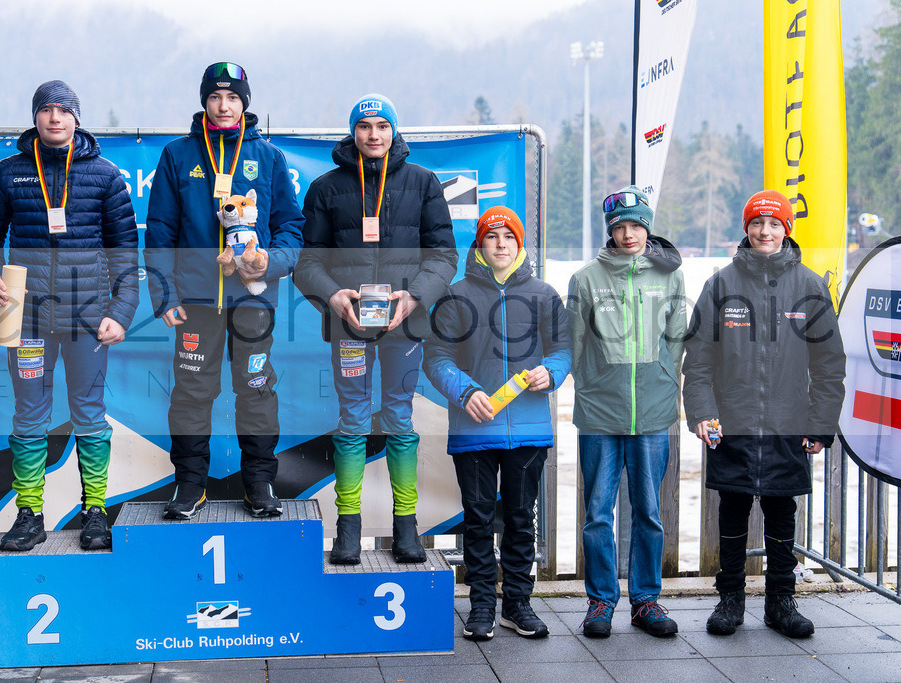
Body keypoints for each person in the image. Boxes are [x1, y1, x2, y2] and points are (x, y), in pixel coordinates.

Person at [0, 80, 139, 552]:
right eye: (45, 109)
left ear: (77, 118)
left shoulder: (105, 175)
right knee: (29, 416)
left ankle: (96, 512)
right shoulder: (7, 173)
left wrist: (122, 311)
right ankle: (29, 514)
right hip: (24, 315)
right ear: (35, 117)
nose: (54, 117)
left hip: (88, 317)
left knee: (89, 413)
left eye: (63, 109)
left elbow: (126, 251)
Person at [294, 93, 457, 564]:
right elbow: (308, 264)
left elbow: (444, 256)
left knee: (401, 419)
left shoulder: (424, 183)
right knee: (351, 421)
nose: (373, 135)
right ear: (353, 132)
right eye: (364, 127)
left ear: (393, 131)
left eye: (381, 126)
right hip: (350, 327)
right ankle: (348, 529)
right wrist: (334, 296)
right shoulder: (326, 188)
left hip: (404, 325)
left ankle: (407, 530)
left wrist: (416, 295)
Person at [144, 62, 304, 520]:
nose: (224, 104)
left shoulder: (269, 157)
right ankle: (190, 486)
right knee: (191, 394)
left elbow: (291, 229)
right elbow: (159, 233)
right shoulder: (178, 155)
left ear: (245, 103)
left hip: (254, 299)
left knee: (255, 388)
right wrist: (164, 295)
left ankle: (259, 483)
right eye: (215, 97)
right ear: (204, 102)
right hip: (195, 302)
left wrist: (268, 262)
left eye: (233, 97)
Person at [682, 190, 845, 638]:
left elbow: (830, 365)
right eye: (757, 223)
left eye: (774, 224)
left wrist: (821, 422)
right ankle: (730, 599)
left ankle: (780, 600)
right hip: (730, 422)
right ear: (746, 229)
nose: (765, 231)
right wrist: (701, 411)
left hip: (787, 424)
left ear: (786, 229)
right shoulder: (720, 285)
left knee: (780, 513)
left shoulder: (810, 287)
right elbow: (698, 359)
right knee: (731, 512)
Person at [424, 207, 571, 640]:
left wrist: (552, 372)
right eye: (492, 236)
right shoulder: (455, 296)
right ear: (480, 245)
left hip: (528, 430)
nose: (501, 243)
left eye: (509, 236)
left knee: (522, 518)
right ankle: (483, 605)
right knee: (478, 518)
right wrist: (465, 391)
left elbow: (563, 349)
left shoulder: (545, 295)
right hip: (474, 430)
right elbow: (437, 358)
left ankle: (518, 604)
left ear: (520, 243)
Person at [566, 185, 686, 638]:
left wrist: (664, 379)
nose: (629, 234)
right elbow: (574, 344)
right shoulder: (585, 279)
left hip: (653, 413)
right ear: (610, 231)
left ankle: (646, 600)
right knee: (597, 511)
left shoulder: (669, 275)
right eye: (620, 227)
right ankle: (600, 601)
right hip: (599, 413)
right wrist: (591, 385)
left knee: (649, 510)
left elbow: (676, 337)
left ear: (648, 228)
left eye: (637, 225)